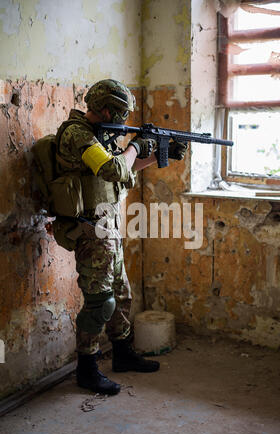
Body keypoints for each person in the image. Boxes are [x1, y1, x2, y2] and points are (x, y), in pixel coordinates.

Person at [53, 79, 187, 395]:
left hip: (108, 227)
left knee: (121, 295)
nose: (124, 122)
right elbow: (114, 169)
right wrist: (137, 145)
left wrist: (156, 154)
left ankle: (123, 355)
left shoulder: (103, 137)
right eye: (121, 114)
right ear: (106, 109)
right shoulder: (78, 135)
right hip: (90, 229)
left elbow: (125, 170)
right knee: (100, 302)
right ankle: (87, 369)